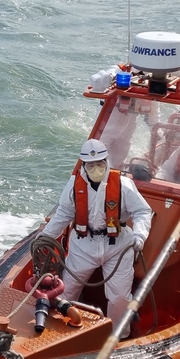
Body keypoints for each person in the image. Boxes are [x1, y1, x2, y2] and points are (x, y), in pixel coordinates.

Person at [39, 139, 153, 338]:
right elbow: (64, 213)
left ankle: (118, 336)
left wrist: (140, 235)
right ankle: (59, 332)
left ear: (107, 162)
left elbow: (142, 211)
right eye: (91, 165)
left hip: (118, 245)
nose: (96, 168)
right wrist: (45, 237)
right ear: (83, 165)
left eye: (100, 163)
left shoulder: (124, 185)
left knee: (119, 298)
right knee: (66, 291)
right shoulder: (74, 185)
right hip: (84, 244)